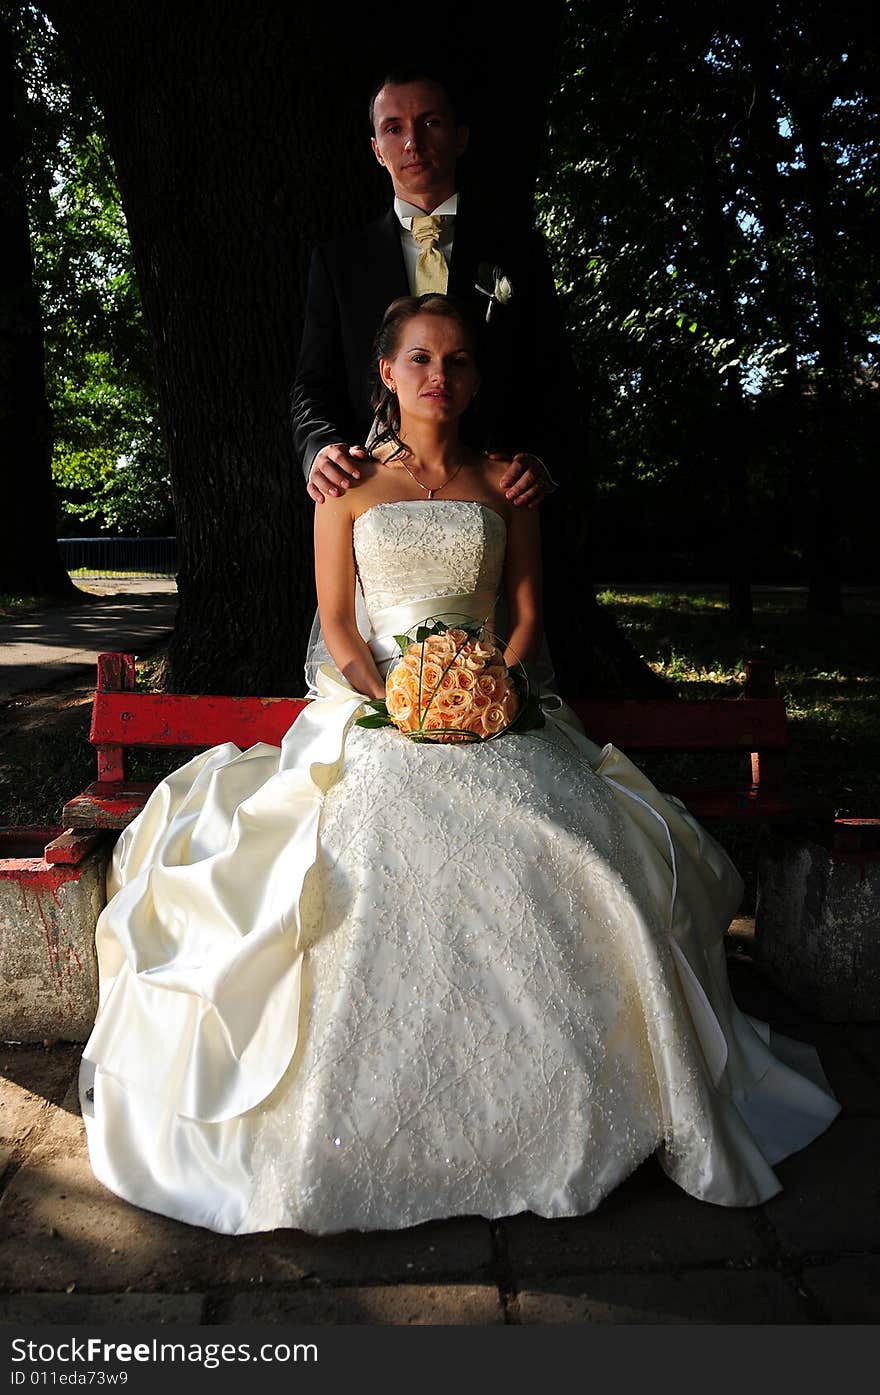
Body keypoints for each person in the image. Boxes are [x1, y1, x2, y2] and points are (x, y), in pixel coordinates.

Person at [79, 293, 839, 1237]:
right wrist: (396, 701)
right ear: (386, 374)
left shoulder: (504, 484)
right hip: (377, 710)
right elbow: (343, 628)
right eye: (422, 359)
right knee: (369, 848)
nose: (442, 376)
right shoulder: (345, 489)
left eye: (461, 361)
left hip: (499, 705)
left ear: (477, 378)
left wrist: (495, 688)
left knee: (580, 854)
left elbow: (524, 617)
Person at [292, 66, 578, 509]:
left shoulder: (518, 250)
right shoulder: (338, 262)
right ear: (376, 150)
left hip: (501, 496)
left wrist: (543, 457)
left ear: (460, 137)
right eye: (394, 128)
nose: (413, 142)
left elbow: (554, 372)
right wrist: (318, 448)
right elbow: (313, 383)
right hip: (377, 497)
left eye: (430, 122)